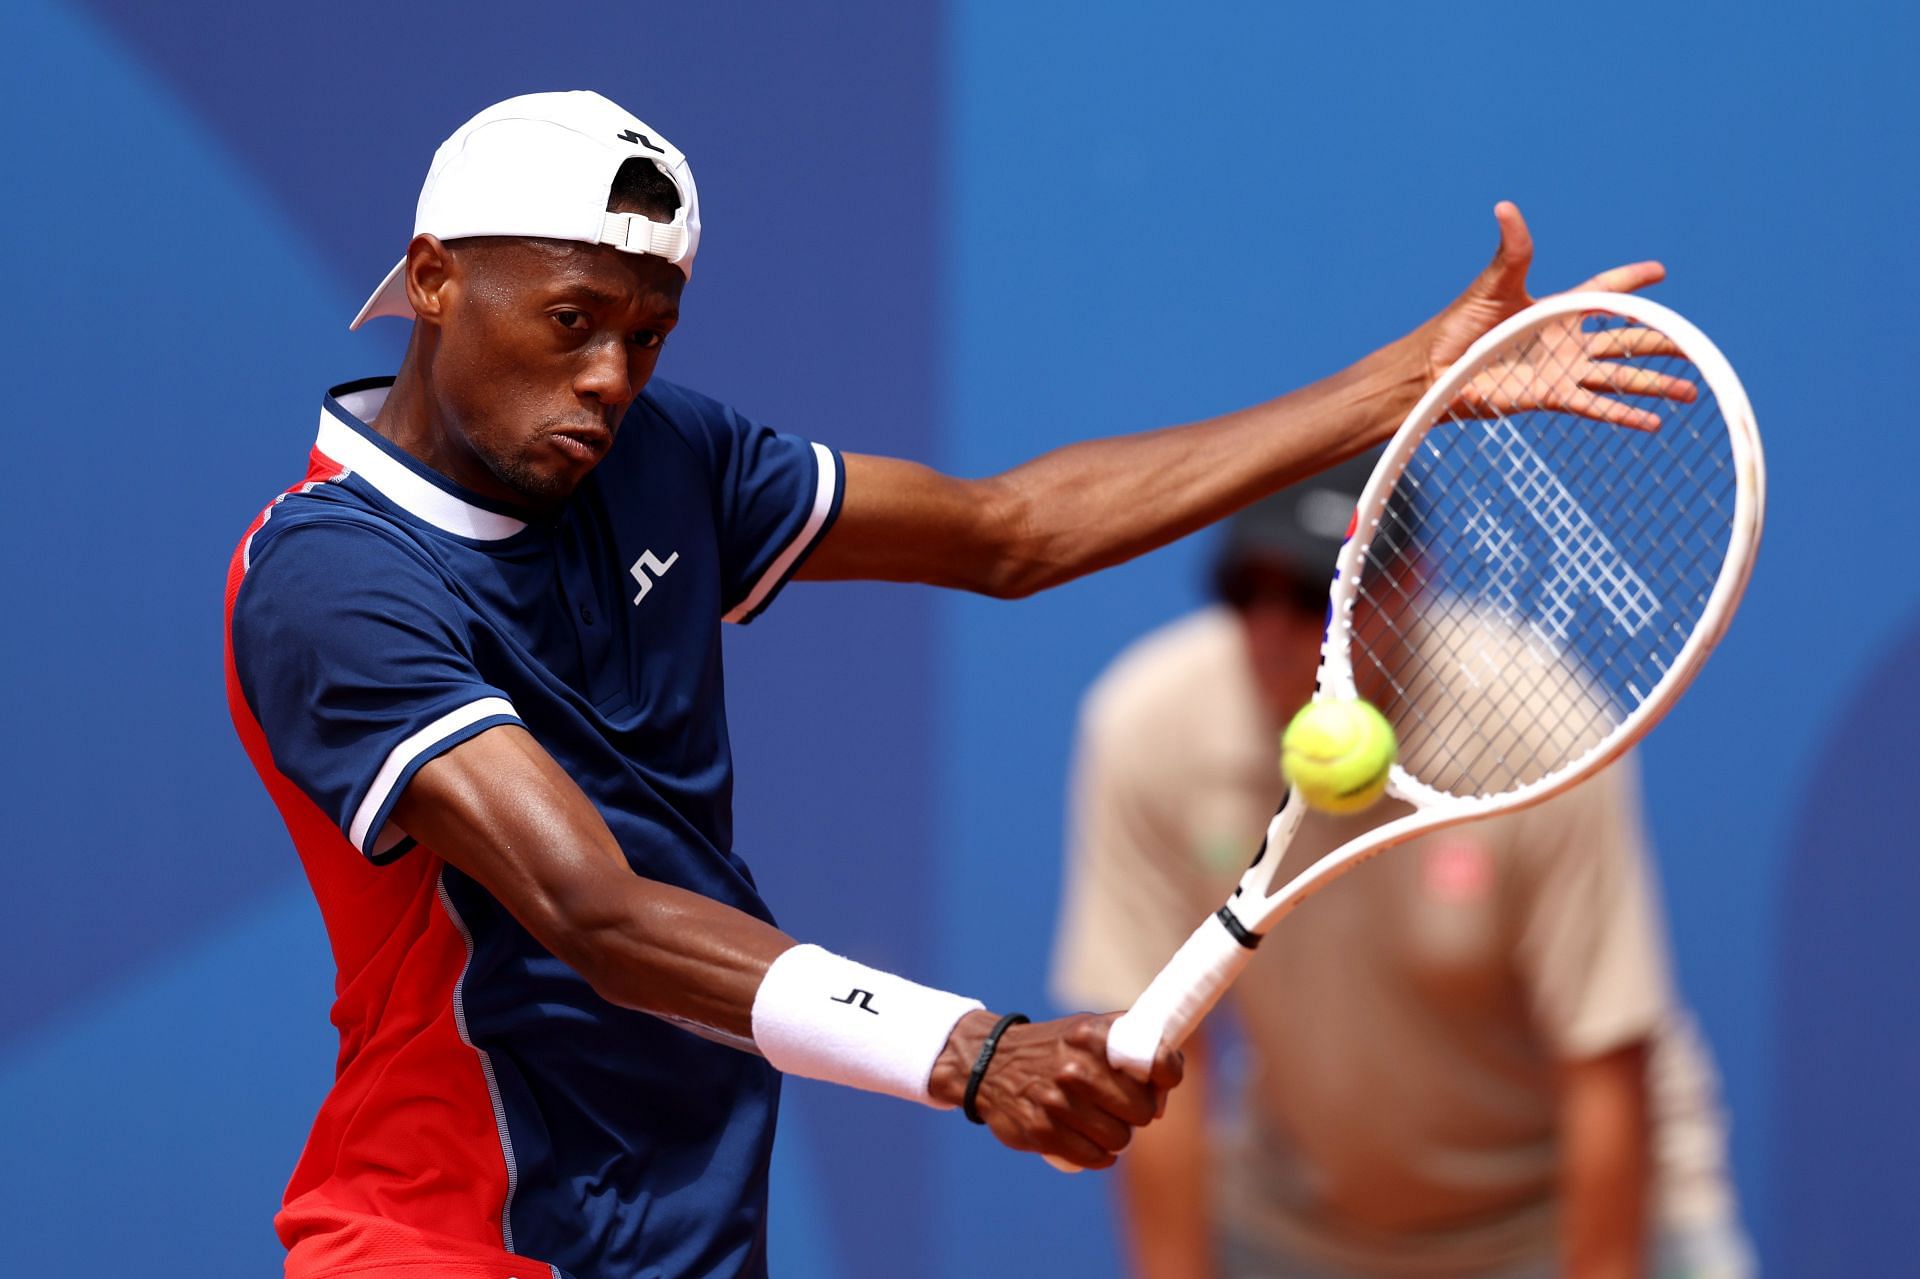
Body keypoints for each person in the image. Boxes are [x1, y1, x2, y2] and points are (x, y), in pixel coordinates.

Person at [222, 90, 1673, 1279]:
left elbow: (1009, 529)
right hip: (443, 1239)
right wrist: (969, 1053)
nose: (612, 375)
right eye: (570, 322)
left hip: (682, 1232)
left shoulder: (667, 456)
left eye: (647, 334)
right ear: (432, 278)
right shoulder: (331, 581)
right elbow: (593, 915)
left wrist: (1408, 375)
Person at [1049, 456, 1756, 1279]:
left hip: (1562, 1213)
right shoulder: (1147, 728)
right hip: (1300, 1226)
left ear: (1411, 584)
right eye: (1248, 591)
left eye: (1314, 596)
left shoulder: (1539, 732)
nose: (1273, 634)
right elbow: (1167, 1073)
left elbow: (1604, 1063)